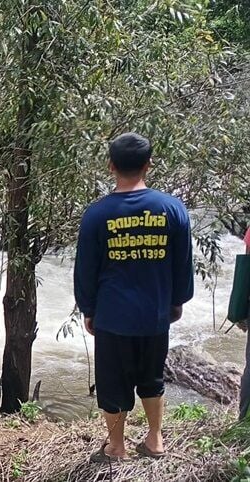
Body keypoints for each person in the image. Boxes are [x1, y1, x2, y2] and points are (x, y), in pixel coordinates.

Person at [74, 132, 194, 462]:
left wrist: (88, 308)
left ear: (111, 165)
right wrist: (178, 301)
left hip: (113, 316)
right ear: (148, 165)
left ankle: (116, 447)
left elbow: (85, 269)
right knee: (152, 378)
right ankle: (155, 441)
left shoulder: (97, 214)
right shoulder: (172, 209)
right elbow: (183, 264)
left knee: (113, 384)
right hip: (155, 314)